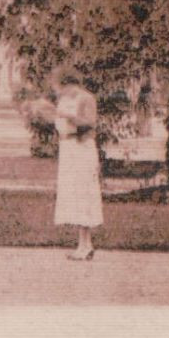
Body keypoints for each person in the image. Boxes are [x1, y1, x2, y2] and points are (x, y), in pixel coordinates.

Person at [53, 71, 103, 260]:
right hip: (69, 149)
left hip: (82, 148)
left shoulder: (86, 98)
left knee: (84, 194)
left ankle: (86, 244)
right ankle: (83, 244)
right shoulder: (65, 100)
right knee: (74, 196)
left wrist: (69, 117)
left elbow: (90, 123)